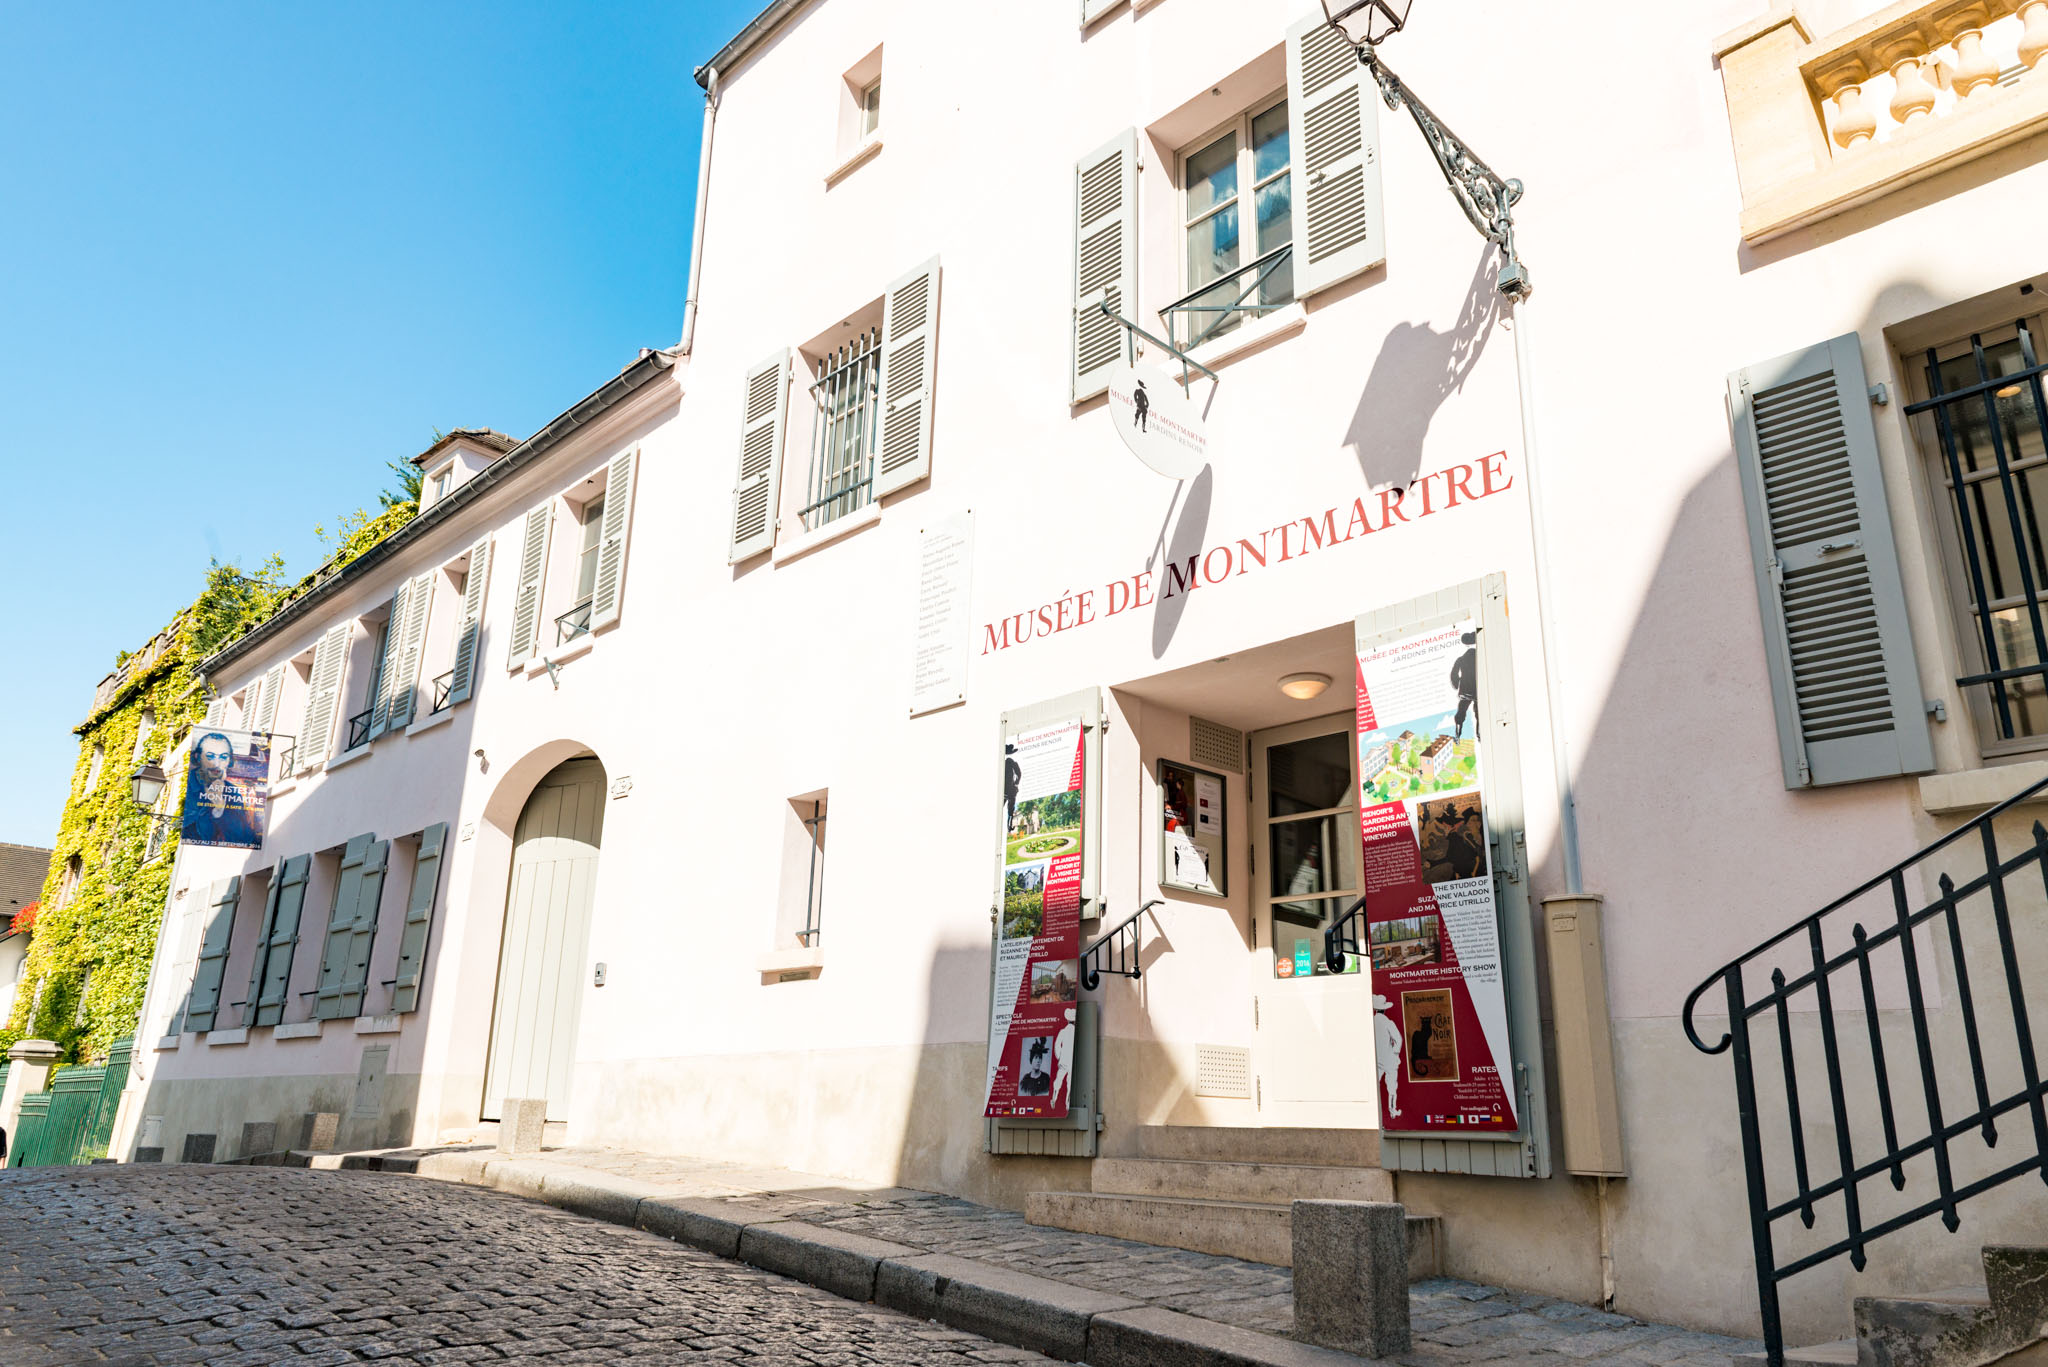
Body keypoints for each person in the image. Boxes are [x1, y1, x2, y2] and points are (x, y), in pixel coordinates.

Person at [182, 732, 260, 847]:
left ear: (229, 761)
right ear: (197, 757)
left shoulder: (232, 791)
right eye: (210, 756)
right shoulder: (188, 783)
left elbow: (243, 838)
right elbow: (193, 832)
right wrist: (210, 810)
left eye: (223, 757)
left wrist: (220, 808)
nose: (217, 764)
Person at [1374, 995, 1404, 1119]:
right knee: (1392, 1086)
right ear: (1384, 1009)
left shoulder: (1371, 1022)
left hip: (1377, 1059)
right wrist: (1394, 1053)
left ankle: (1376, 1110)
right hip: (1389, 1060)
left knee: (1376, 1084)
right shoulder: (1387, 1022)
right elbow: (1398, 1039)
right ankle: (1392, 1110)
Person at [1449, 631, 1479, 740]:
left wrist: (1457, 685)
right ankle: (1480, 736)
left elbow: (1453, 674)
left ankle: (1457, 735)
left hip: (1465, 691)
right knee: (1479, 714)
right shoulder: (1480, 657)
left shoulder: (1461, 659)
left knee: (1460, 714)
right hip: (1478, 691)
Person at [1445, 809, 1485, 881]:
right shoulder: (1465, 838)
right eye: (1473, 820)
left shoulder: (1482, 835)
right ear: (1468, 824)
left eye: (1477, 820)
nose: (1478, 823)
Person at [1003, 743, 1022, 835]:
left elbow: (1018, 773)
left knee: (1010, 810)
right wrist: (1016, 785)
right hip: (1009, 791)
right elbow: (1019, 773)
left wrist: (1015, 785)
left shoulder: (1008, 762)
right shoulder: (1010, 761)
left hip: (1007, 791)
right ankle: (1009, 827)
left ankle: (1009, 828)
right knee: (1010, 810)